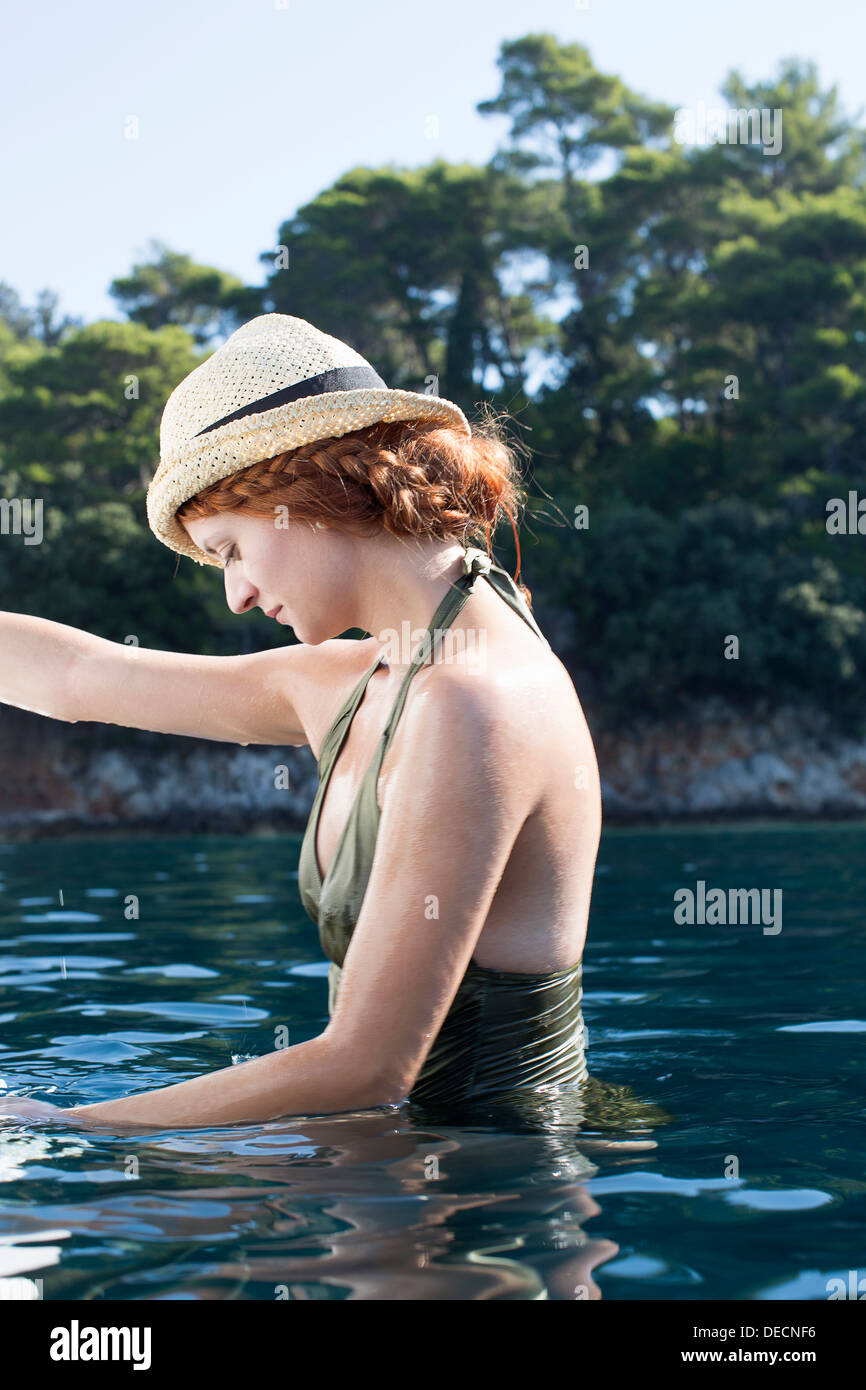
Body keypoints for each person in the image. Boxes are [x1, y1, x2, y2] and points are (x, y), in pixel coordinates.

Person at [1, 313, 602, 1130]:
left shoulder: (472, 700)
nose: (236, 595)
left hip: (486, 1191)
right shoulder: (364, 678)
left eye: (230, 550)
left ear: (301, 494)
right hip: (389, 1167)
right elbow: (77, 677)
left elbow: (364, 1069)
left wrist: (59, 1127)